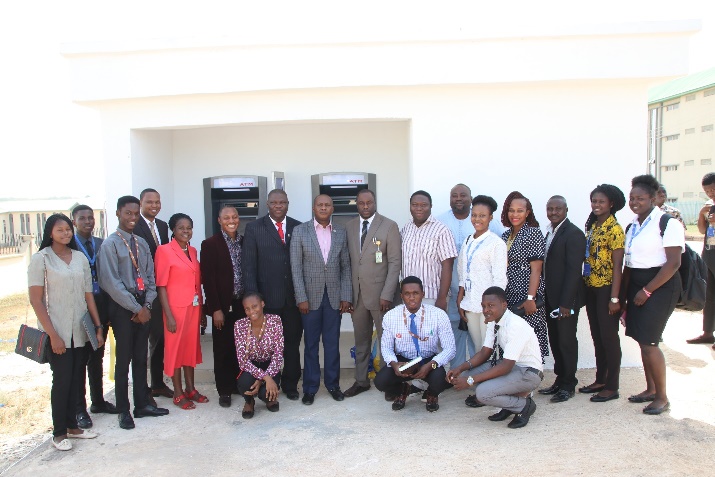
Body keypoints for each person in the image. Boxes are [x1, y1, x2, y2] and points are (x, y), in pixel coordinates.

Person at [28, 213, 104, 450]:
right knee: (61, 381)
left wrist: (98, 327)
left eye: (68, 230)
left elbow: (88, 295)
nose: (66, 233)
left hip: (79, 330)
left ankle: (73, 427)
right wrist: (53, 335)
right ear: (50, 232)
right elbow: (36, 300)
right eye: (60, 230)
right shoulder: (41, 259)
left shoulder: (80, 257)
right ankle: (59, 433)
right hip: (57, 330)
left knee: (76, 378)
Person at [98, 196, 169, 430]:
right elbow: (111, 283)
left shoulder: (141, 243)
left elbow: (151, 278)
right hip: (123, 309)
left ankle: (142, 405)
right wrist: (136, 308)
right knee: (124, 360)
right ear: (118, 214)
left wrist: (147, 305)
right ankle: (123, 410)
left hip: (143, 307)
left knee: (141, 358)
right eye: (128, 213)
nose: (132, 218)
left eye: (135, 214)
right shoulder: (110, 245)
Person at [621, 174, 684, 415]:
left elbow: (673, 263)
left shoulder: (667, 223)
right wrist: (626, 296)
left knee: (650, 342)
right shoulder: (634, 225)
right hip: (637, 284)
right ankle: (649, 389)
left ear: (654, 198)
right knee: (641, 339)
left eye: (641, 198)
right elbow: (630, 263)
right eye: (632, 198)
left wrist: (647, 291)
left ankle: (662, 397)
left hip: (660, 285)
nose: (635, 202)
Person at [446, 287, 543, 429]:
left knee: (482, 393)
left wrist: (470, 381)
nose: (486, 310)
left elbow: (506, 366)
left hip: (528, 373)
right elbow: (484, 353)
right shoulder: (494, 321)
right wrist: (459, 368)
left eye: (491, 306)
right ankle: (510, 404)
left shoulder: (515, 325)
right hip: (512, 368)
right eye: (483, 306)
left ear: (504, 305)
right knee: (466, 374)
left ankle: (524, 406)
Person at [290, 194, 352, 405]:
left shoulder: (340, 232)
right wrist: (301, 297)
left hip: (334, 298)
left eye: (327, 205)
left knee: (332, 344)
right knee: (310, 345)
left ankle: (333, 385)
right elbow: (296, 268)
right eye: (320, 205)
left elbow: (346, 266)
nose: (323, 208)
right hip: (310, 298)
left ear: (333, 208)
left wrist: (346, 295)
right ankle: (310, 388)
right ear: (313, 208)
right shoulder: (300, 231)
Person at [242, 189, 303, 401]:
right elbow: (248, 267)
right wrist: (254, 301)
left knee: (292, 344)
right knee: (266, 348)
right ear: (267, 204)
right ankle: (270, 384)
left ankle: (291, 384)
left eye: (282, 202)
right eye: (274, 202)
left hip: (294, 300)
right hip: (267, 301)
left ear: (288, 204)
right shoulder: (254, 228)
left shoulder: (298, 227)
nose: (278, 206)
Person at [344, 189, 401, 398]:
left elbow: (395, 263)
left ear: (375, 202)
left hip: (381, 297)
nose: (365, 206)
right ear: (356, 204)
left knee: (387, 341)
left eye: (369, 202)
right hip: (357, 296)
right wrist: (347, 295)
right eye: (361, 203)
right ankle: (361, 381)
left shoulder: (389, 226)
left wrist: (387, 293)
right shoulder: (349, 227)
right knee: (361, 341)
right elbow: (348, 263)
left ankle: (388, 383)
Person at [374, 276, 456, 412]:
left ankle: (431, 393)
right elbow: (386, 348)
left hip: (428, 360)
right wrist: (394, 364)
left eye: (415, 293)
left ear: (422, 294)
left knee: (439, 380)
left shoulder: (438, 315)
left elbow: (450, 349)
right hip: (403, 360)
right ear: (401, 296)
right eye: (407, 294)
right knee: (380, 382)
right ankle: (403, 389)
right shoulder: (391, 316)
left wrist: (431, 365)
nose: (411, 298)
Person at [455, 195, 508, 408]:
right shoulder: (469, 240)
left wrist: (494, 309)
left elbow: (500, 278)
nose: (477, 219)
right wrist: (460, 296)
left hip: (487, 307)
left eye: (482, 216)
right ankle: (480, 388)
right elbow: (462, 270)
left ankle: (489, 390)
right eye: (474, 215)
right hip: (470, 304)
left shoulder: (496, 243)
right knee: (478, 349)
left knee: (490, 349)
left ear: (490, 217)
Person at [71, 205, 119, 430]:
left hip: (101, 306)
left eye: (91, 217)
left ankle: (98, 401)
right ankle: (80, 408)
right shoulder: (69, 245)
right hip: (80, 309)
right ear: (74, 221)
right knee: (81, 359)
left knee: (97, 357)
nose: (88, 221)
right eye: (83, 218)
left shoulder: (101, 244)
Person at [155, 213, 206, 410]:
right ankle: (178, 392)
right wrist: (168, 315)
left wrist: (201, 309)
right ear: (173, 230)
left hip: (193, 308)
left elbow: (196, 281)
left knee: (190, 349)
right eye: (181, 227)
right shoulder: (164, 251)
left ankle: (191, 389)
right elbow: (161, 285)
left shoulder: (192, 251)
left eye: (189, 227)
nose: (186, 231)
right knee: (176, 351)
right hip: (175, 310)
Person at [580, 184, 626, 402]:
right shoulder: (593, 225)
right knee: (597, 337)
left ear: (611, 204)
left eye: (601, 202)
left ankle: (612, 386)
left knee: (609, 338)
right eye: (594, 201)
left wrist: (615, 298)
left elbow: (618, 267)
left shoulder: (614, 229)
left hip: (607, 290)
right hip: (592, 288)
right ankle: (601, 379)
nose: (596, 205)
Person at [538, 196, 586, 403]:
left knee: (566, 341)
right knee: (556, 340)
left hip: (565, 301)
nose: (554, 212)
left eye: (558, 208)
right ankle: (559, 379)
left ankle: (568, 384)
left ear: (566, 209)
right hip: (550, 297)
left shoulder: (574, 234)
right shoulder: (549, 230)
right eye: (550, 208)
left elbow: (574, 271)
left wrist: (566, 303)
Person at [200, 206, 246, 407]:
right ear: (219, 220)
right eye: (226, 217)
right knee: (222, 348)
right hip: (222, 305)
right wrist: (215, 308)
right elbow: (208, 280)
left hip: (242, 304)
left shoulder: (245, 241)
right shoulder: (210, 244)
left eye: (234, 216)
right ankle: (224, 389)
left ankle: (238, 383)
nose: (231, 220)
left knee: (241, 347)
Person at [133, 188, 172, 401]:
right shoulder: (134, 226)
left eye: (157, 201)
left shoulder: (163, 226)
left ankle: (157, 384)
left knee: (159, 338)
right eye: (149, 202)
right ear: (141, 203)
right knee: (142, 342)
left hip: (160, 290)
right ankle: (143, 388)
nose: (154, 205)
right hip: (141, 293)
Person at [500, 191, 549, 360]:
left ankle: (532, 375)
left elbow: (536, 269)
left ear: (527, 213)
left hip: (526, 292)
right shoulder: (506, 235)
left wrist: (530, 298)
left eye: (519, 210)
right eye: (511, 210)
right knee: (512, 336)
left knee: (530, 334)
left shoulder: (533, 233)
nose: (515, 214)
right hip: (509, 291)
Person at [401, 190, 457, 312]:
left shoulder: (442, 230)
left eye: (424, 205)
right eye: (415, 205)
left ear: (431, 206)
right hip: (408, 296)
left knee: (431, 331)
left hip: (432, 296)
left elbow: (448, 265)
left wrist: (442, 298)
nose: (419, 208)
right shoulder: (406, 228)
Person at [235, 292, 284, 419]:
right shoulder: (239, 325)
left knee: (266, 392)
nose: (251, 311)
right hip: (251, 367)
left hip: (270, 365)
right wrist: (265, 378)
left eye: (254, 306)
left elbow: (278, 355)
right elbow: (242, 361)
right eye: (247, 308)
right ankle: (249, 401)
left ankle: (269, 399)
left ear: (262, 304)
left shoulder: (275, 321)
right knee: (245, 383)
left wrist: (263, 378)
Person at [687, 172, 715, 348]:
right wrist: (701, 214)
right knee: (710, 296)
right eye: (707, 191)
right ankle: (707, 332)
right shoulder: (710, 207)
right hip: (710, 256)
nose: (711, 193)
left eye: (713, 189)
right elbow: (702, 230)